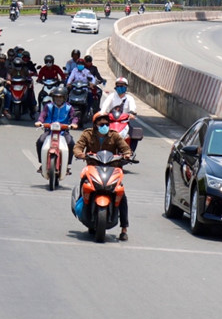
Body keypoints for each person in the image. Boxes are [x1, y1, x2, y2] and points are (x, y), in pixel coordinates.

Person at [73, 112, 132, 240]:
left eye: (106, 124)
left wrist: (127, 154)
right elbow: (78, 147)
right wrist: (80, 154)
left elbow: (125, 148)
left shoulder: (114, 135)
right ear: (95, 124)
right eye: (101, 124)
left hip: (112, 169)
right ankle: (81, 207)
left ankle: (124, 228)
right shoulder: (87, 134)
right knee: (84, 184)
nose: (104, 126)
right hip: (92, 168)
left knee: (121, 195)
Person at [34, 85, 77, 174]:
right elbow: (42, 115)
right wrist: (39, 122)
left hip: (63, 131)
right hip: (49, 131)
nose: (58, 99)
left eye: (60, 97)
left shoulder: (69, 107)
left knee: (71, 143)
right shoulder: (48, 106)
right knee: (40, 141)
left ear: (64, 98)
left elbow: (74, 117)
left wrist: (74, 123)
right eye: (56, 97)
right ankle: (42, 163)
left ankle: (67, 165)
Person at [99, 76, 141, 161]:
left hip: (124, 122)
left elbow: (133, 108)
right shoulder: (111, 96)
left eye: (122, 85)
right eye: (118, 85)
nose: (120, 87)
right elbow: (105, 105)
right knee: (99, 131)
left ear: (126, 87)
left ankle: (131, 152)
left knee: (135, 134)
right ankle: (96, 149)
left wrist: (132, 113)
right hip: (111, 121)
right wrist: (102, 112)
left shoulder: (129, 98)